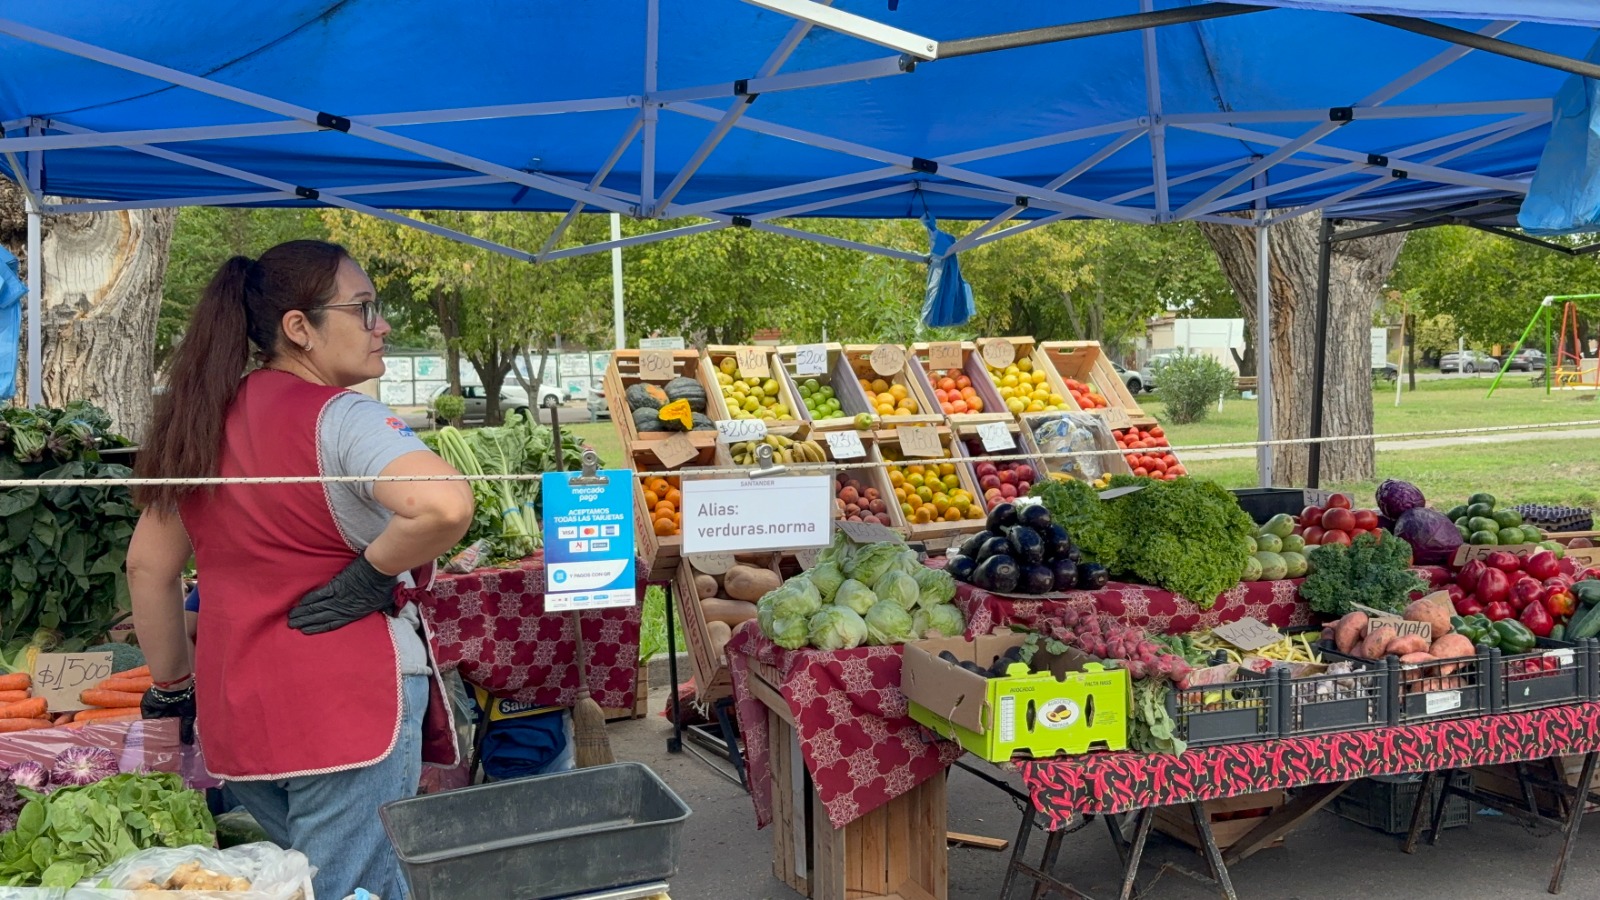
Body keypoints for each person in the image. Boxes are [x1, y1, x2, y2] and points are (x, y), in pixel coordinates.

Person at [125, 240, 473, 899]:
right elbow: (446, 505)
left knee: (303, 884)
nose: (383, 326)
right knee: (349, 889)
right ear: (298, 329)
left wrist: (172, 686)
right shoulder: (344, 416)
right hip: (348, 705)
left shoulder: (198, 421)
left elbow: (146, 567)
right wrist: (372, 575)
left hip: (239, 714)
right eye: (365, 309)